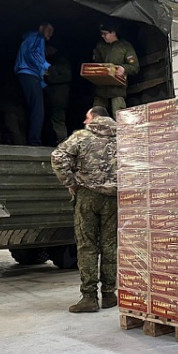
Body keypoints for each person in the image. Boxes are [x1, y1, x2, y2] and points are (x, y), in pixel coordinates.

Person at [51, 106, 119, 313]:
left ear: (94, 118)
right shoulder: (123, 136)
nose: (84, 121)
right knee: (110, 245)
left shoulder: (81, 136)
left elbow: (57, 157)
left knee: (87, 245)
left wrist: (70, 183)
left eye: (86, 117)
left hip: (88, 195)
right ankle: (109, 294)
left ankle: (89, 297)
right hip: (114, 198)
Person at [14, 22, 53, 146]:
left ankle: (31, 139)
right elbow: (32, 53)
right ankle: (34, 141)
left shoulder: (29, 38)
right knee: (38, 110)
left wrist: (43, 85)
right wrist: (47, 66)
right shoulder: (37, 37)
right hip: (30, 75)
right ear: (42, 27)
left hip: (28, 76)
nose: (50, 34)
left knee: (32, 108)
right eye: (49, 30)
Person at [92, 21, 140, 117]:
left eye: (105, 33)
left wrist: (124, 68)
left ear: (113, 32)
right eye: (101, 33)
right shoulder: (100, 46)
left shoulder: (125, 46)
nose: (102, 36)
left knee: (119, 116)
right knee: (96, 117)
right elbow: (95, 64)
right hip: (101, 89)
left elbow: (135, 67)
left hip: (117, 90)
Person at [44, 45, 72, 144]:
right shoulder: (56, 60)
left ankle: (62, 141)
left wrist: (48, 79)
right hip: (54, 97)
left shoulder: (61, 61)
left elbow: (67, 76)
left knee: (58, 119)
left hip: (58, 97)